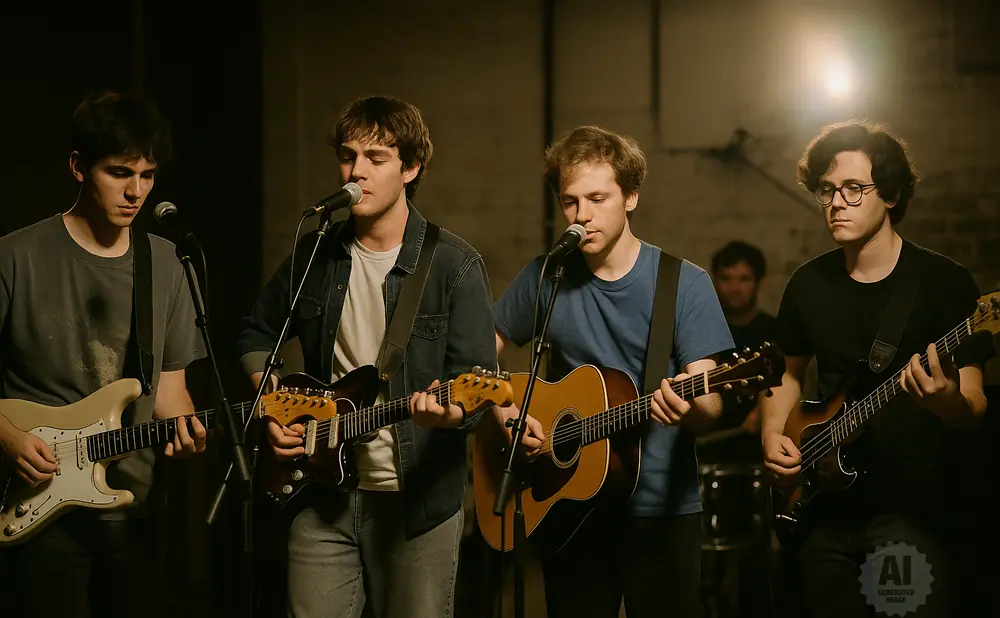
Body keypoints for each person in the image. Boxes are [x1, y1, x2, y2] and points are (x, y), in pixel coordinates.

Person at [238, 95, 496, 618]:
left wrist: (451, 412)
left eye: (376, 158)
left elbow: (480, 386)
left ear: (411, 167)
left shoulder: (454, 266)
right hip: (319, 490)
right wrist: (274, 404)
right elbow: (255, 334)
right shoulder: (316, 254)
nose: (357, 172)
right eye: (349, 156)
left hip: (415, 505)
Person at [493, 125, 734, 618]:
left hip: (660, 512)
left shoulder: (684, 284)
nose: (581, 216)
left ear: (631, 197)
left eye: (597, 198)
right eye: (570, 201)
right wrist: (504, 408)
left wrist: (691, 404)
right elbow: (475, 353)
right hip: (569, 505)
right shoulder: (548, 276)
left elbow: (711, 404)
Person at [760, 121, 992, 618]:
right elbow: (785, 374)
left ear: (889, 194)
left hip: (909, 515)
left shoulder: (945, 284)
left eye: (853, 188)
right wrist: (773, 434)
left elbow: (974, 406)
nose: (835, 202)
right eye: (827, 189)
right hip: (821, 510)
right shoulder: (808, 285)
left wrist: (947, 402)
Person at [0, 91, 208, 618]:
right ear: (77, 167)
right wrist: (6, 436)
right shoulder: (15, 257)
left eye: (147, 175)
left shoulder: (168, 264)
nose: (135, 191)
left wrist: (187, 431)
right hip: (34, 499)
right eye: (119, 173)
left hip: (133, 506)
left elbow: (170, 391)